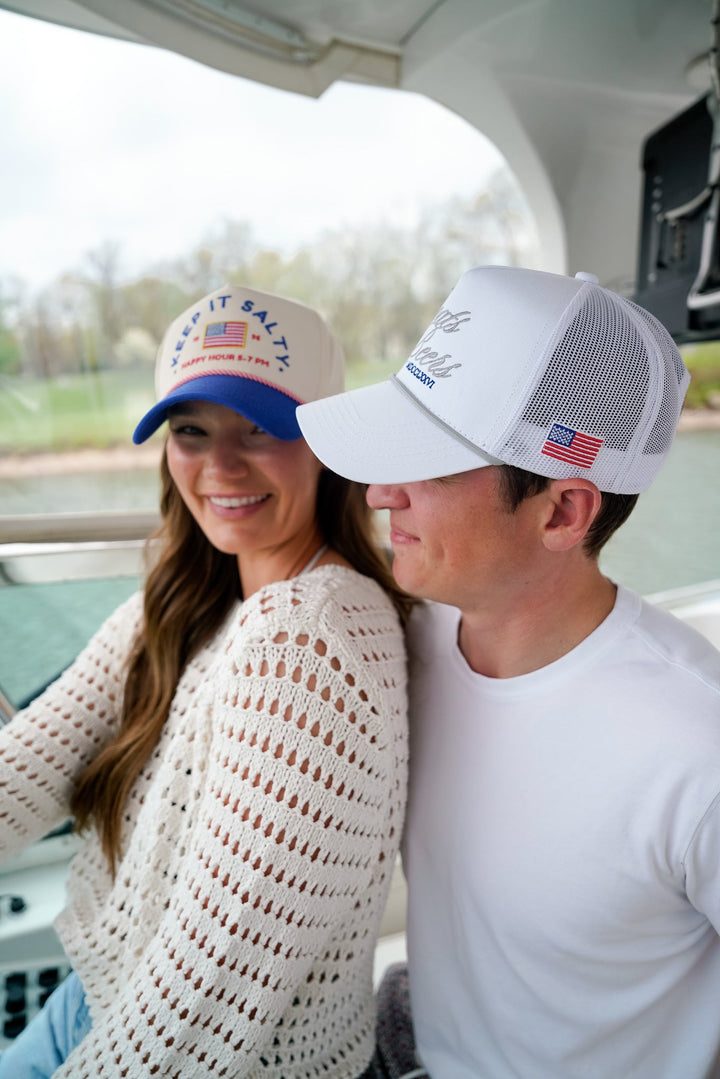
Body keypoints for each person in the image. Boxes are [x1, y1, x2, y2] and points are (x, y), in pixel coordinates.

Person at [297, 265, 720, 1079]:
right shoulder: (403, 640)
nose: (381, 491)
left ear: (563, 511)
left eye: (427, 463)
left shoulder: (696, 748)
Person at [0, 284, 411, 1079]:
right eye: (190, 430)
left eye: (260, 428)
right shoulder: (196, 596)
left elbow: (196, 1010)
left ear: (327, 441)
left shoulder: (310, 637)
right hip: (92, 1001)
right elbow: (20, 774)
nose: (219, 465)